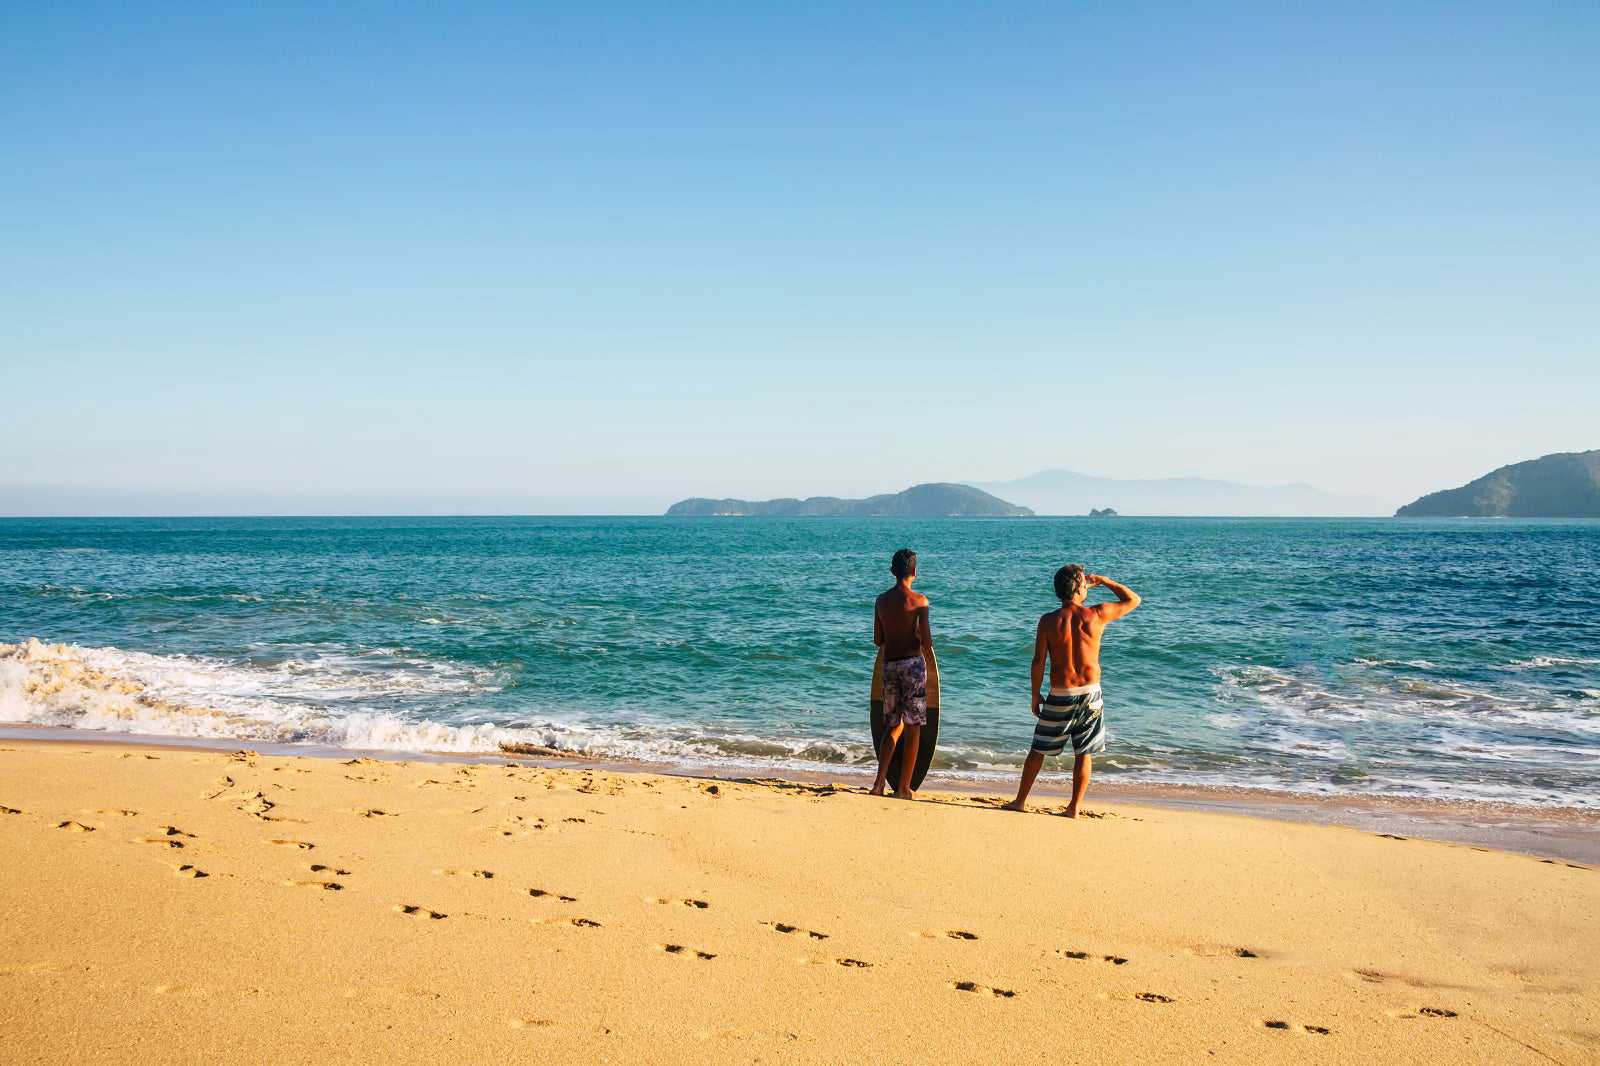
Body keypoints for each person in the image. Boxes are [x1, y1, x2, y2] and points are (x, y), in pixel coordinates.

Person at [1003, 565, 1140, 816]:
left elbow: (1038, 662)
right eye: (1085, 584)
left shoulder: (1048, 620)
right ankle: (1073, 808)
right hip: (1090, 694)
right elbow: (1133, 599)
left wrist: (1035, 694)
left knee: (1038, 749)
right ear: (1078, 588)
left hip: (1060, 693)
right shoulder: (1096, 615)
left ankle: (1020, 800)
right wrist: (1105, 580)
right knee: (1083, 752)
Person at [871, 548, 933, 799]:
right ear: (915, 572)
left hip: (890, 666)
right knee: (914, 726)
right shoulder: (920, 601)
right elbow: (926, 642)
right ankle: (904, 788)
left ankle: (878, 785)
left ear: (892, 572)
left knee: (893, 725)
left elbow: (878, 640)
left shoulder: (881, 601)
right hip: (913, 667)